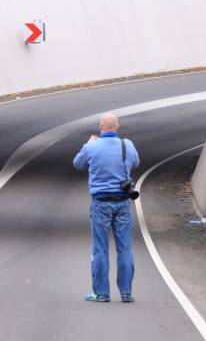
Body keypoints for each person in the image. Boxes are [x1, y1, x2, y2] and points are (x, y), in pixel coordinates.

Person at [73, 112, 140, 303]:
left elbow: (77, 164)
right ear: (117, 127)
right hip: (123, 202)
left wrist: (88, 144)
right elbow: (135, 163)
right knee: (125, 248)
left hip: (100, 204)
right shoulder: (127, 145)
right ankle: (126, 292)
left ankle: (102, 293)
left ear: (100, 127)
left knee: (100, 249)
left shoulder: (91, 147)